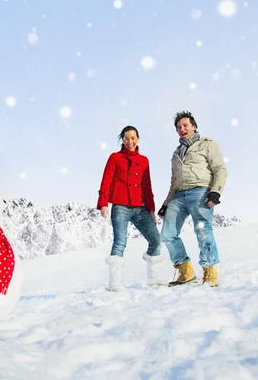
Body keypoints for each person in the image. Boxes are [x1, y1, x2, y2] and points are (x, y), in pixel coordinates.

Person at [158, 111, 227, 287]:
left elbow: (219, 168)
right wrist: (166, 204)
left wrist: (215, 191)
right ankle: (186, 272)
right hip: (179, 195)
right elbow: (174, 182)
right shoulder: (176, 154)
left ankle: (210, 272)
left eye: (185, 125)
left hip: (200, 191)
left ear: (193, 126)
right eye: (179, 127)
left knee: (203, 230)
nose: (182, 129)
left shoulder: (207, 145)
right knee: (167, 234)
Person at [97, 126, 162, 291]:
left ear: (138, 139)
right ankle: (115, 284)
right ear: (122, 140)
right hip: (120, 206)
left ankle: (154, 279)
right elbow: (106, 180)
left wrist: (151, 210)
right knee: (120, 242)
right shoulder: (115, 158)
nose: (130, 141)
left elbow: (147, 186)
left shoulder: (144, 160)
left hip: (140, 207)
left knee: (155, 239)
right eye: (126, 138)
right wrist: (104, 202)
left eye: (133, 138)